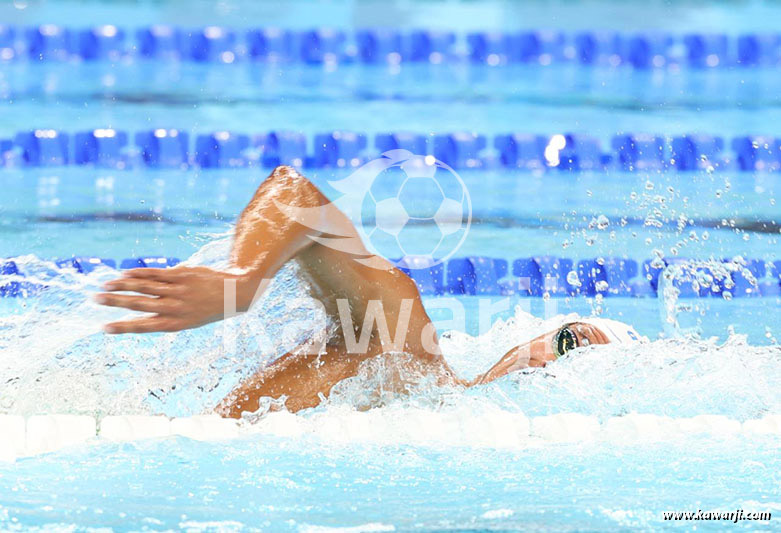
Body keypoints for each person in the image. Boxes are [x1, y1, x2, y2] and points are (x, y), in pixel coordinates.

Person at [95, 166, 641, 417]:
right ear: (524, 342)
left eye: (578, 371)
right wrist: (241, 283)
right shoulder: (410, 351)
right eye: (569, 344)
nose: (553, 368)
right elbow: (293, 195)